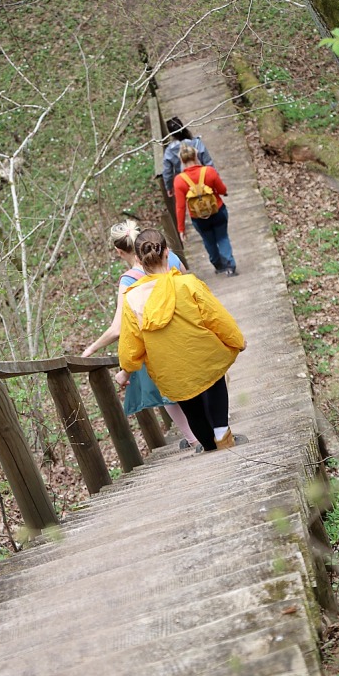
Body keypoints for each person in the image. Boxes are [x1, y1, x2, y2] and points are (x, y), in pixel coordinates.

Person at [116, 229, 246, 451]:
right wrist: (236, 340)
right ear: (167, 252)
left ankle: (207, 445)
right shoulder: (187, 284)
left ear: (138, 259)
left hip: (170, 369)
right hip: (202, 356)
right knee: (214, 381)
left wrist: (125, 371)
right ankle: (223, 435)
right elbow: (216, 317)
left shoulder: (133, 298)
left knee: (189, 404)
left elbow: (131, 343)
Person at [81, 219, 202, 451]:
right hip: (187, 330)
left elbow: (118, 328)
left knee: (163, 389)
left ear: (118, 251)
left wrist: (91, 349)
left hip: (157, 343)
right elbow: (191, 286)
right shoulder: (171, 257)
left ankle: (194, 438)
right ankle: (213, 425)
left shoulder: (128, 280)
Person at [174, 142, 238, 277]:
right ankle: (230, 266)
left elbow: (180, 207)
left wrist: (181, 229)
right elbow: (222, 189)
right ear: (196, 155)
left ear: (181, 160)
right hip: (218, 211)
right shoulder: (209, 171)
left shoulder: (179, 181)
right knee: (222, 237)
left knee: (208, 240)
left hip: (199, 218)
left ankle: (218, 264)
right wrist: (224, 192)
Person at [162, 117, 215, 197]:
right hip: (203, 179)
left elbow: (167, 172)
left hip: (186, 184)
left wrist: (169, 187)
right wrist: (214, 178)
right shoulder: (197, 143)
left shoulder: (169, 151)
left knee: (193, 203)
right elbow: (208, 162)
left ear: (171, 134)